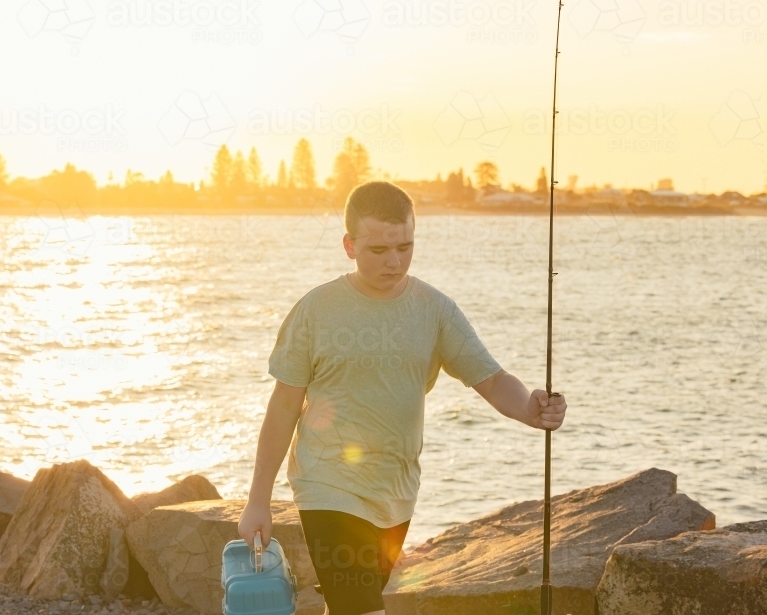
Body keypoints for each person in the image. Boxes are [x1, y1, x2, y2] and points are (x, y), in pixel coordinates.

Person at [237, 181, 567, 615]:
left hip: (396, 492)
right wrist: (258, 499)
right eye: (378, 250)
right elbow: (283, 407)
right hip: (327, 486)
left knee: (350, 606)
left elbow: (490, 378)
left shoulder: (435, 309)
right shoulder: (315, 311)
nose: (394, 262)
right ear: (348, 245)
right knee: (361, 608)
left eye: (405, 247)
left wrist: (530, 408)